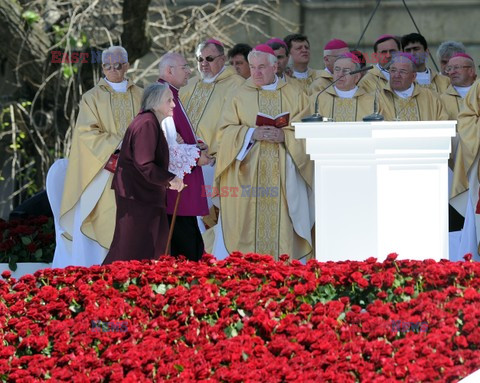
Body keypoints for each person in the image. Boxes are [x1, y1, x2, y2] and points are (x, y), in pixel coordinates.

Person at [214, 44, 314, 261]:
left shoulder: (296, 94)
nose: (256, 73)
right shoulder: (239, 95)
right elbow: (224, 133)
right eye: (252, 67)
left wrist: (285, 136)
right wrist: (251, 133)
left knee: (283, 224)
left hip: (285, 177)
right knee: (248, 222)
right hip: (249, 174)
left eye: (261, 67)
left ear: (275, 66)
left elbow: (308, 131)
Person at [58, 46, 143, 267]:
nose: (112, 70)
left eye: (117, 65)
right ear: (102, 67)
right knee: (103, 215)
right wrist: (120, 143)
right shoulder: (91, 97)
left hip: (140, 172)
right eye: (107, 66)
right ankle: (98, 269)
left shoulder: (142, 94)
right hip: (105, 168)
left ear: (126, 66)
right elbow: (87, 133)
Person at [103, 83, 185, 264]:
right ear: (156, 103)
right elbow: (144, 163)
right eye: (169, 100)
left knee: (141, 246)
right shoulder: (147, 123)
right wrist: (170, 179)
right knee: (131, 248)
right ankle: (107, 284)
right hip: (138, 196)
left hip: (141, 195)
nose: (173, 105)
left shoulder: (148, 121)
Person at [180, 38, 244, 230]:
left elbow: (238, 125)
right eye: (199, 59)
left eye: (209, 58)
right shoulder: (189, 86)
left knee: (210, 221)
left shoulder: (238, 86)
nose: (203, 64)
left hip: (215, 164)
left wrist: (214, 153)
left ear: (222, 59)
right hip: (185, 162)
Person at [157, 52, 212, 261]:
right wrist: (197, 156)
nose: (190, 70)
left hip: (181, 184)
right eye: (185, 66)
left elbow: (176, 137)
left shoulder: (171, 93)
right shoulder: (163, 96)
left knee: (190, 243)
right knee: (185, 251)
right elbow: (165, 146)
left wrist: (193, 143)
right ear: (169, 71)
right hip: (174, 187)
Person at [378, 52, 447, 121]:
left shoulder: (432, 98)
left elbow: (444, 124)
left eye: (402, 72)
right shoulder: (378, 98)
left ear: (413, 76)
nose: (396, 75)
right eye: (393, 71)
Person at [312, 53, 376, 121]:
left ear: (357, 77)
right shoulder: (318, 99)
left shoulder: (371, 102)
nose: (340, 74)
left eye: (346, 70)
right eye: (337, 69)